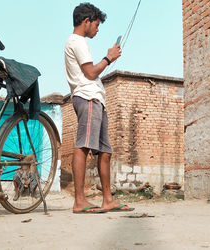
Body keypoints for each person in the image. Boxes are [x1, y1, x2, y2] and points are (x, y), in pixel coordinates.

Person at [65, 3, 134, 213]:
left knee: (105, 152)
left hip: (96, 99)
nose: (97, 29)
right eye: (96, 24)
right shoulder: (77, 41)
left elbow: (91, 71)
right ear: (86, 21)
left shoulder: (79, 42)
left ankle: (108, 199)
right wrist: (109, 57)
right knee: (83, 146)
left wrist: (108, 59)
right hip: (87, 97)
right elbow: (91, 73)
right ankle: (79, 201)